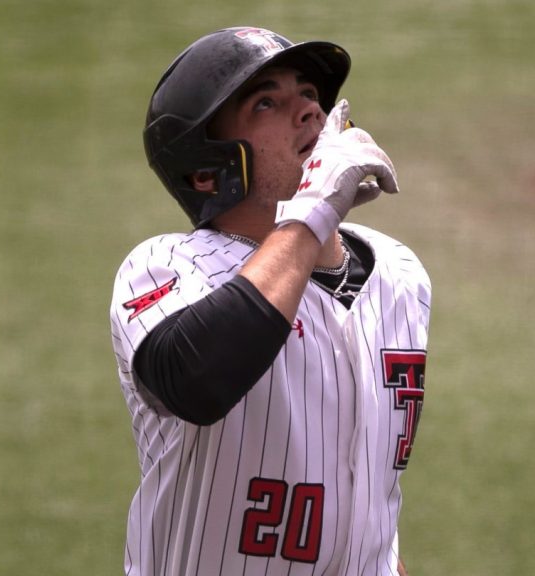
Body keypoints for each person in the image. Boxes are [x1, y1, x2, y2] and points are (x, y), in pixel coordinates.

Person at [109, 26, 431, 576]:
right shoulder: (169, 267)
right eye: (266, 102)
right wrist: (313, 210)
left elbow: (373, 508)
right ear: (210, 167)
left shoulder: (398, 274)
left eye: (309, 93)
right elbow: (192, 380)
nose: (308, 110)